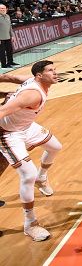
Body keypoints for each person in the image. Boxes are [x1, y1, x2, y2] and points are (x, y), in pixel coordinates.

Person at [0, 61, 62, 241]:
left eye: (55, 69)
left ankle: (42, 178)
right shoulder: (32, 96)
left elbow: (9, 77)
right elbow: (3, 111)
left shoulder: (30, 80)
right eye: (51, 70)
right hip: (10, 134)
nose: (56, 73)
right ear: (40, 76)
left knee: (55, 147)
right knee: (28, 174)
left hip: (26, 127)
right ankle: (30, 224)